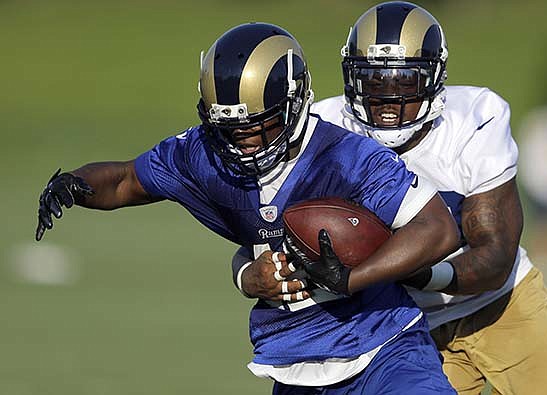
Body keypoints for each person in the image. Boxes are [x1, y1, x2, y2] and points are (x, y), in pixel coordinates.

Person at [35, 22, 461, 394]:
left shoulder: (347, 156)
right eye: (230, 128)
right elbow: (127, 179)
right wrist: (76, 185)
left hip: (385, 347)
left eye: (261, 123)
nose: (245, 139)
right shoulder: (204, 153)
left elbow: (437, 229)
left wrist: (352, 277)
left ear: (296, 101)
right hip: (293, 358)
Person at [306, 2, 547, 394]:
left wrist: (408, 270)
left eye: (404, 81)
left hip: (502, 305)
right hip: (407, 328)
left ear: (433, 78)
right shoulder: (326, 130)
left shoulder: (474, 119)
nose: (388, 100)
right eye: (374, 81)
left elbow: (495, 257)